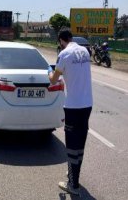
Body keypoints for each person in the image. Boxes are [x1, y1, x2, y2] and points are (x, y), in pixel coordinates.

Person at [48, 28, 93, 196]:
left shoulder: (64, 55)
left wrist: (49, 73)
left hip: (73, 106)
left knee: (72, 145)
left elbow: (54, 80)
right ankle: (73, 172)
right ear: (71, 38)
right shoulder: (85, 51)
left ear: (61, 41)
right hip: (87, 104)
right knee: (80, 141)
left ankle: (73, 185)